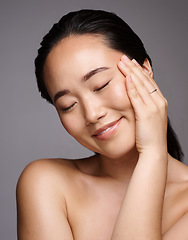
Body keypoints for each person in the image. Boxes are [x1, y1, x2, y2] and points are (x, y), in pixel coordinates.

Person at [16, 9, 188, 240]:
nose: (92, 114)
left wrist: (152, 153)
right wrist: (153, 154)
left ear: (144, 70)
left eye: (101, 85)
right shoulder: (46, 183)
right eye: (68, 105)